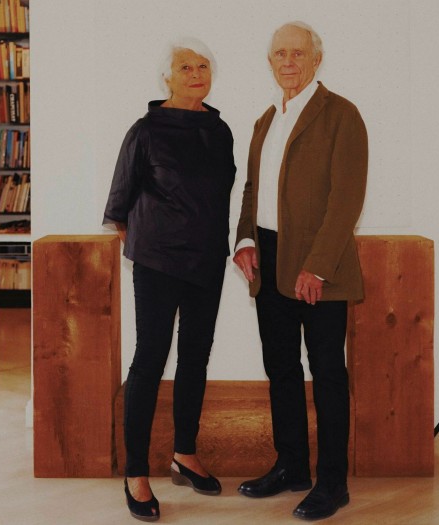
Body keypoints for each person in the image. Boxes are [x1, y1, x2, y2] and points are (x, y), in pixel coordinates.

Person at [233, 21, 368, 521]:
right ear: (270, 62)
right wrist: (245, 239)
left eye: (298, 53)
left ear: (316, 60)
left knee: (328, 374)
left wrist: (317, 266)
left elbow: (345, 200)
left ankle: (334, 483)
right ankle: (292, 467)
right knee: (281, 369)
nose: (288, 61)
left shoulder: (341, 115)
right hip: (268, 259)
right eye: (279, 54)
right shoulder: (267, 120)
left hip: (320, 265)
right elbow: (252, 189)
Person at [103, 38, 235, 522]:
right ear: (168, 77)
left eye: (203, 66)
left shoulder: (220, 130)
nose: (196, 73)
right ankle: (136, 471)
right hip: (158, 264)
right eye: (186, 66)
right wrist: (149, 246)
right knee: (149, 360)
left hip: (208, 263)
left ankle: (185, 453)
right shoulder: (145, 130)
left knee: (196, 357)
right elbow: (120, 205)